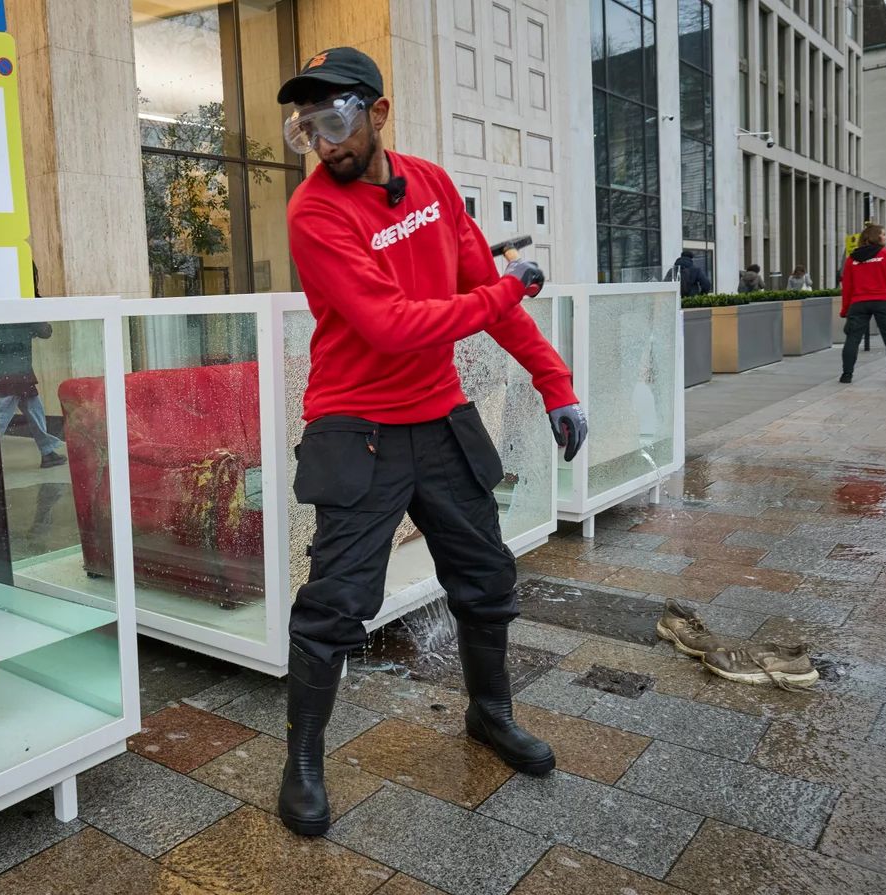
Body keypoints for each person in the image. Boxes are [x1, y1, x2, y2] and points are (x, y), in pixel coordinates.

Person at [274, 47, 587, 837]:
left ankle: (490, 713)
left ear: (378, 113)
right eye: (305, 125)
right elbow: (389, 325)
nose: (321, 140)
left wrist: (556, 385)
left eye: (334, 118)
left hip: (439, 415)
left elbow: (490, 296)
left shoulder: (436, 186)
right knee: (337, 603)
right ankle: (303, 760)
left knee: (485, 575)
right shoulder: (315, 212)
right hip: (355, 420)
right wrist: (501, 290)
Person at [0, 320, 68, 468]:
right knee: (2, 416)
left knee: (33, 409)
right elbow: (45, 331)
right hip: (15, 368)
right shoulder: (21, 307)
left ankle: (47, 452)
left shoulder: (0, 308)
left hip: (7, 367)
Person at [839, 222, 886, 384]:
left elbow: (847, 286)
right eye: (883, 234)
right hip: (884, 301)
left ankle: (846, 375)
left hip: (859, 303)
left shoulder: (851, 260)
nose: (885, 237)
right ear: (875, 237)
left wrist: (845, 309)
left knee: (852, 339)